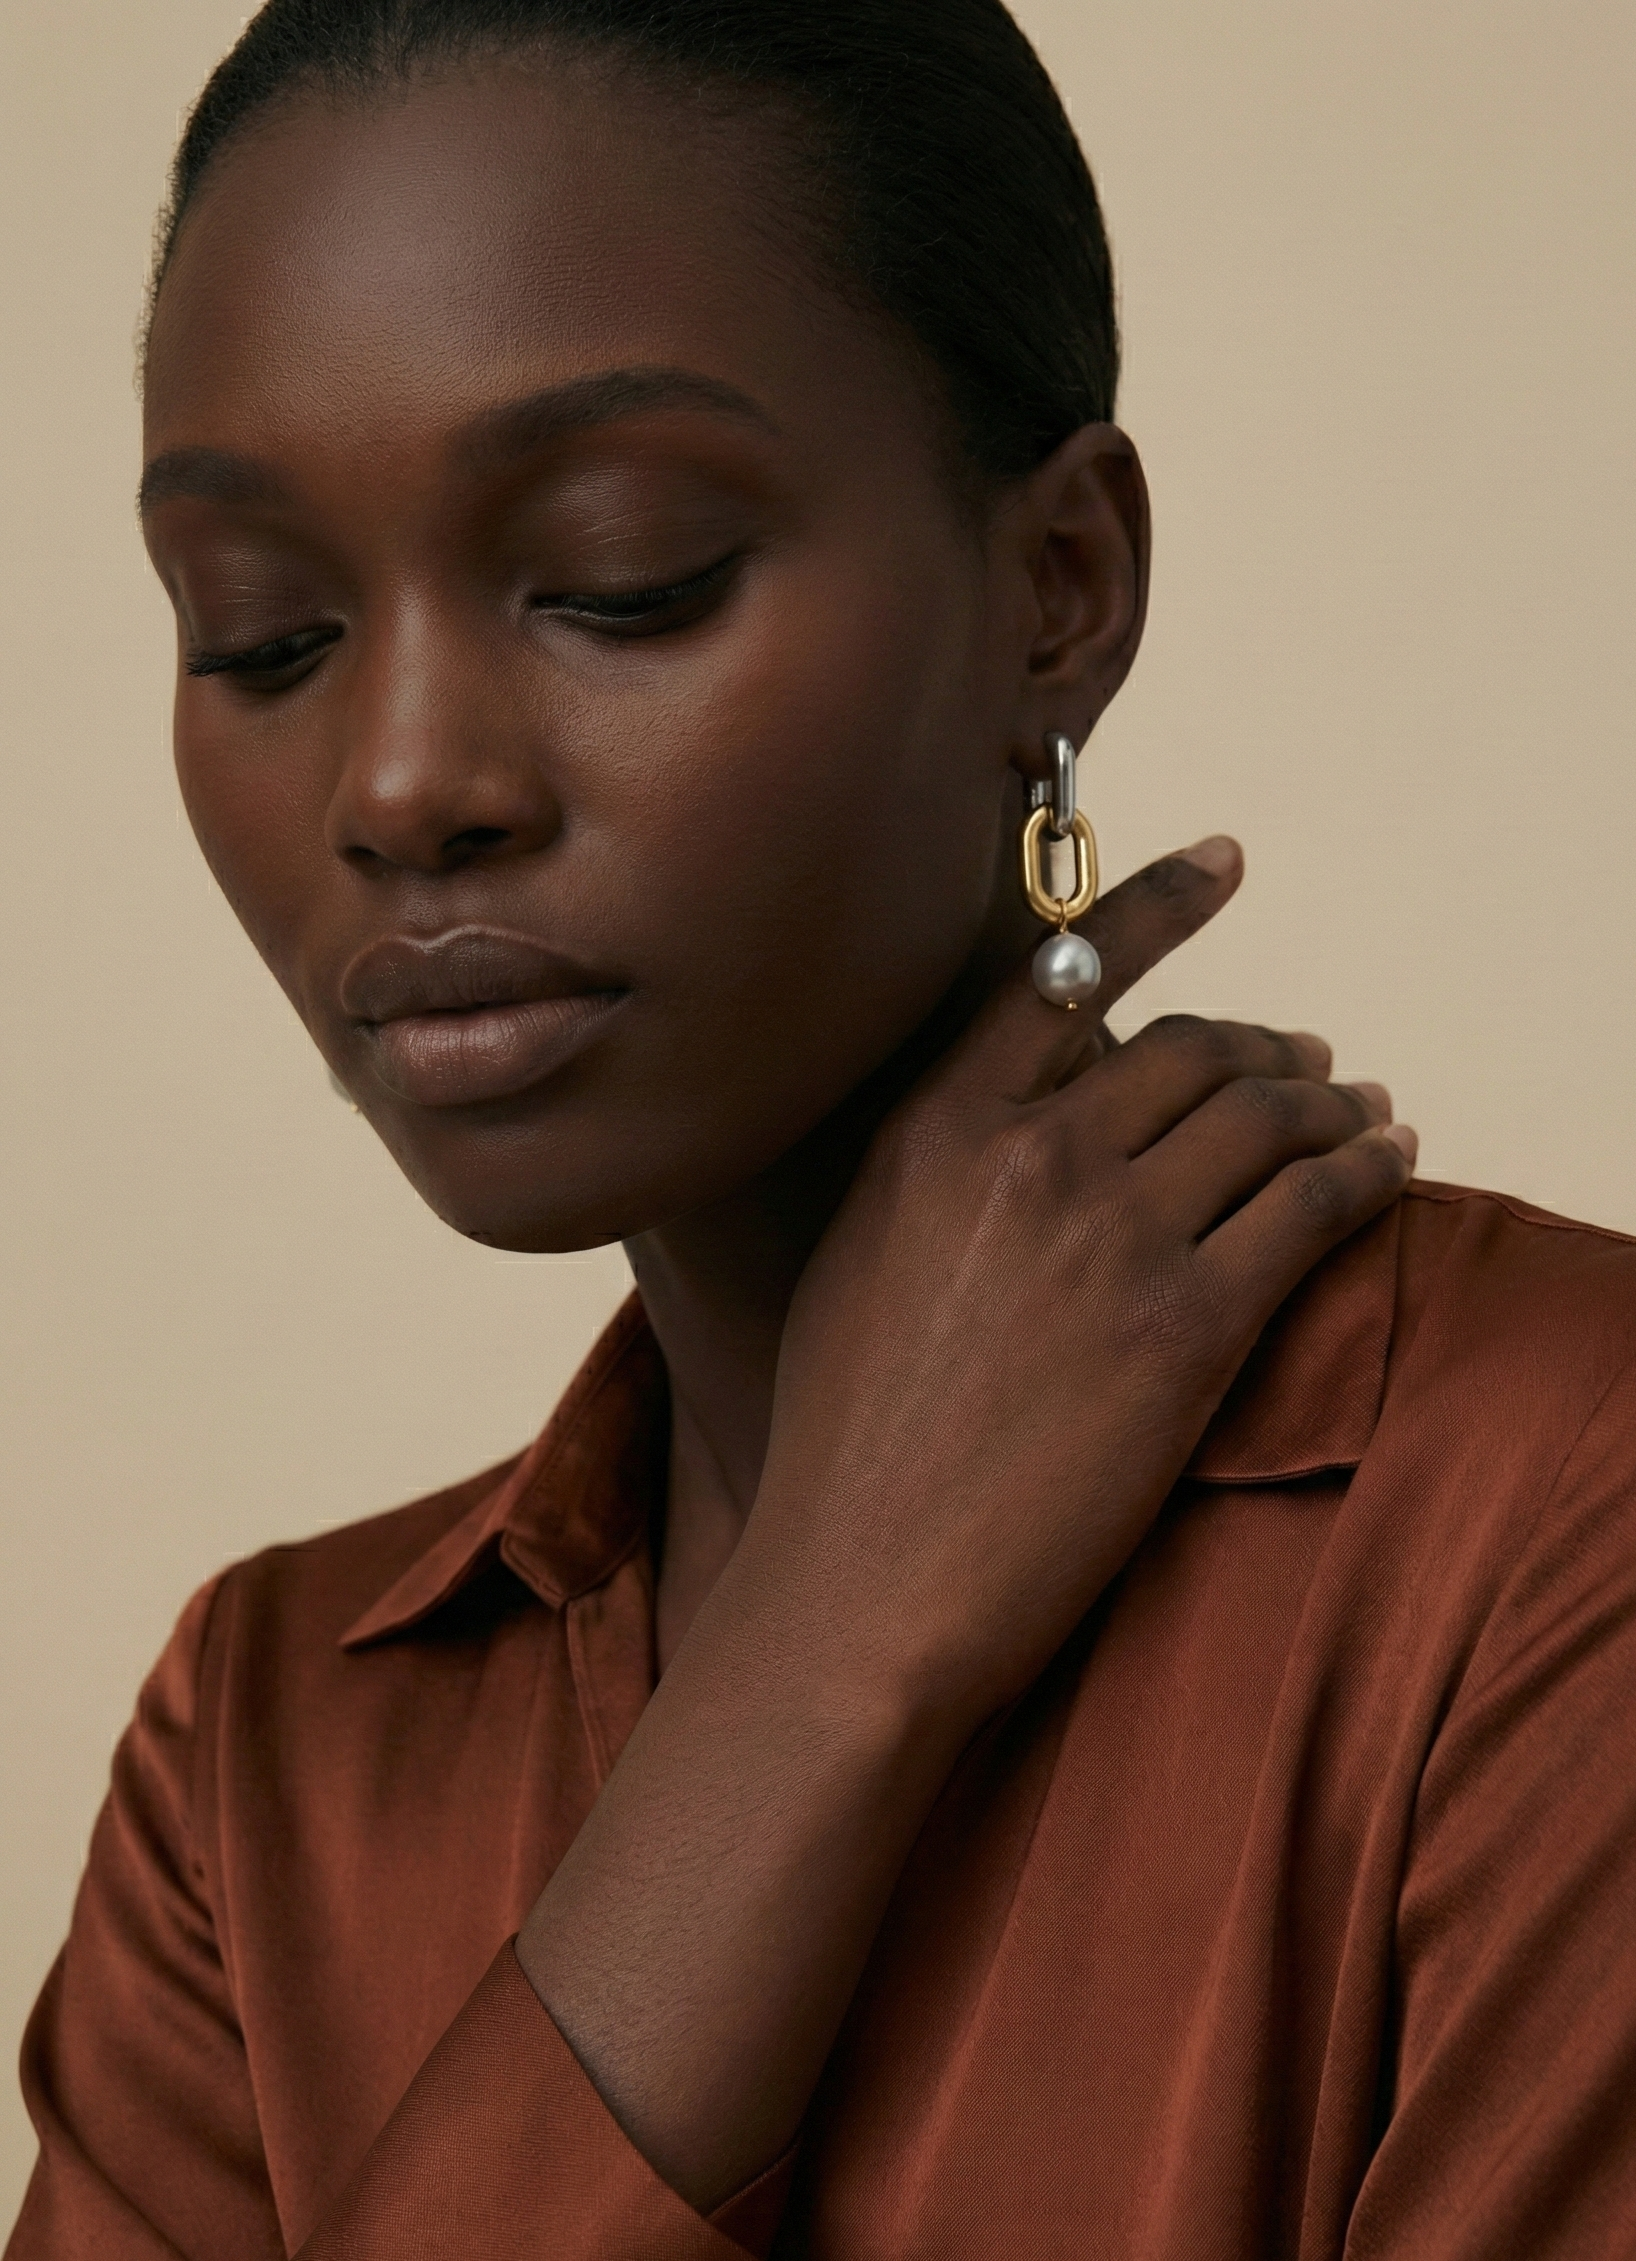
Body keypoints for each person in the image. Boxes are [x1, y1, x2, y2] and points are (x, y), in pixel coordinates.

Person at [10, 2, 1636, 2254]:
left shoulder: (1562, 1509)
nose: (397, 783)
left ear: (1056, 587)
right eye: (262, 634)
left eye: (618, 577)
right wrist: (813, 1664)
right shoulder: (263, 1761)